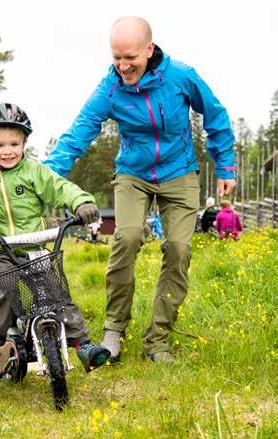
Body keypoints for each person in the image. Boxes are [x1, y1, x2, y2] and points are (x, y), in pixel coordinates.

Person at [44, 16, 236, 364]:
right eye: (116, 57)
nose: (123, 65)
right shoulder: (110, 88)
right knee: (127, 237)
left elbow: (216, 116)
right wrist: (42, 178)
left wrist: (225, 165)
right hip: (133, 172)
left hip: (179, 172)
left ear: (149, 49)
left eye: (130, 57)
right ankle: (114, 329)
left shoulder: (181, 76)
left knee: (178, 248)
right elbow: (78, 134)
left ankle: (158, 339)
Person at [0, 102, 110, 379]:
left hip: (35, 245)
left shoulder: (33, 170)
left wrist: (82, 202)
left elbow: (59, 187)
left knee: (56, 292)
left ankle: (82, 344)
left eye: (14, 144)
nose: (7, 151)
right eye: (0, 145)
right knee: (2, 291)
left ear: (25, 142)